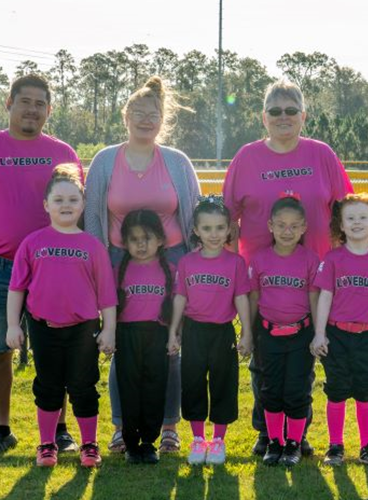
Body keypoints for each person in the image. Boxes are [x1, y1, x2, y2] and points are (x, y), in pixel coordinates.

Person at [0, 74, 83, 455]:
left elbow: (76, 206)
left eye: (40, 103)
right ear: (8, 104)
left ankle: (59, 430)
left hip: (51, 269)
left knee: (54, 350)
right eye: (24, 101)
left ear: (49, 110)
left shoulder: (63, 152)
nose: (32, 109)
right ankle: (1, 428)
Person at [222, 79, 353, 456]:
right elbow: (228, 219)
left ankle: (298, 431)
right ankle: (266, 432)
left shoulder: (321, 154)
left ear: (303, 116)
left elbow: (345, 211)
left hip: (313, 281)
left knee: (303, 361)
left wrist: (345, 261)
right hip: (262, 282)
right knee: (264, 361)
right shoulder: (247, 157)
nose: (283, 117)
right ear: (263, 117)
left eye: (290, 110)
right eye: (275, 111)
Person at [85, 76, 199, 455]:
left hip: (172, 262)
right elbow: (95, 217)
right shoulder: (105, 160)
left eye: (153, 114)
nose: (145, 120)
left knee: (170, 345)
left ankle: (168, 426)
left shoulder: (177, 162)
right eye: (138, 113)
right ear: (125, 116)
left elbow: (193, 213)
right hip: (120, 262)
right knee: (123, 344)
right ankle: (122, 426)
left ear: (162, 118)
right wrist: (100, 263)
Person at [5, 165, 116, 468]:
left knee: (83, 385)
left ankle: (89, 445)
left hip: (83, 328)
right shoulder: (33, 243)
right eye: (58, 200)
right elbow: (17, 288)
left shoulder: (93, 246)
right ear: (46, 205)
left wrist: (109, 330)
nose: (66, 206)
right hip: (43, 328)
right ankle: (46, 444)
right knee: (48, 385)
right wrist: (13, 325)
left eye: (73, 200)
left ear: (83, 204)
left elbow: (107, 295)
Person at [310, 193, 368, 467]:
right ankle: (335, 446)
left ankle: (367, 446)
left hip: (366, 335)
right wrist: (319, 332)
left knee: (365, 388)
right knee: (336, 388)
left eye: (363, 217)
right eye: (350, 218)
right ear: (341, 225)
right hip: (336, 334)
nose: (357, 223)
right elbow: (324, 296)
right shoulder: (334, 258)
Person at [167, 196, 253, 466]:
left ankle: (217, 441)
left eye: (219, 228)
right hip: (194, 331)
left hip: (222, 332)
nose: (213, 234)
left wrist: (246, 332)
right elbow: (180, 298)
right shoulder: (187, 263)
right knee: (192, 383)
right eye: (207, 228)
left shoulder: (235, 263)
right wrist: (173, 332)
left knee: (223, 383)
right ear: (196, 230)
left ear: (229, 229)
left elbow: (241, 299)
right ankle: (197, 439)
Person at [248, 194, 320, 467]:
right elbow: (254, 298)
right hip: (268, 334)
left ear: (304, 228)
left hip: (300, 334)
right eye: (281, 225)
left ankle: (294, 443)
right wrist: (249, 333)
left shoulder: (310, 260)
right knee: (270, 389)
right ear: (270, 226)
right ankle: (275, 442)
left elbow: (314, 299)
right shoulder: (260, 259)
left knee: (297, 391)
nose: (287, 231)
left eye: (294, 226)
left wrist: (317, 332)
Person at [114, 209, 175, 465]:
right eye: (134, 238)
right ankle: (130, 443)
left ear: (161, 239)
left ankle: (149, 442)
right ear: (124, 242)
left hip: (157, 333)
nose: (140, 244)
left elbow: (177, 306)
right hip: (126, 334)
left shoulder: (169, 270)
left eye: (147, 238)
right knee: (129, 388)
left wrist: (174, 334)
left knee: (154, 386)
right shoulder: (119, 269)